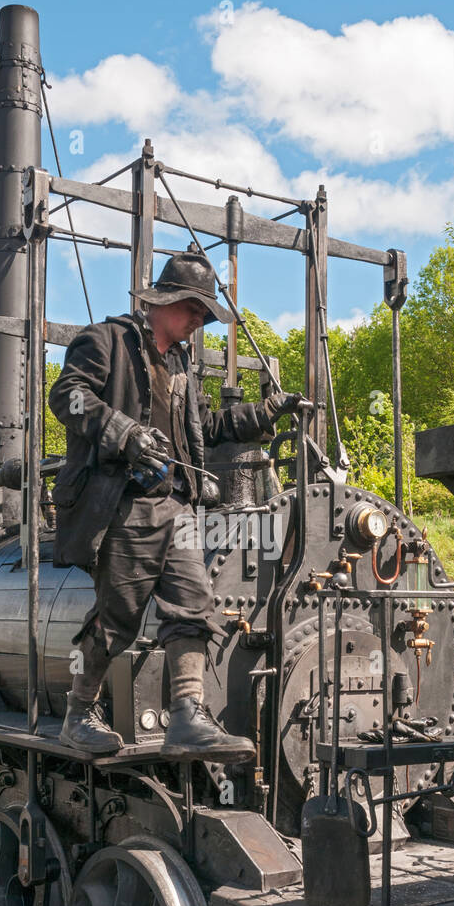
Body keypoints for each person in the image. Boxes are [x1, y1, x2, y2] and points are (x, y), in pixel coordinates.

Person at [48, 251, 302, 760]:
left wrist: (266, 412)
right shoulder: (106, 341)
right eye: (194, 311)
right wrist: (124, 433)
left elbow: (204, 433)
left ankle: (187, 716)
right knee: (116, 621)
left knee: (194, 607)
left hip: (178, 509)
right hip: (124, 505)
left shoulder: (181, 366)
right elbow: (67, 397)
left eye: (203, 315)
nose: (198, 322)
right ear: (166, 302)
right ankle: (77, 714)